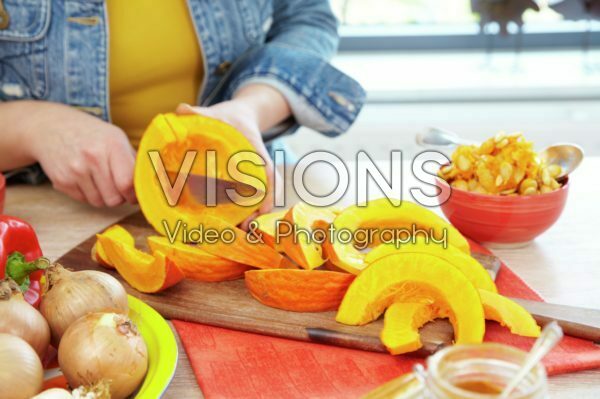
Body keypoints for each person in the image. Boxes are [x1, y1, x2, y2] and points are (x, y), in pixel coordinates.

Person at [0, 0, 365, 216]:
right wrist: (32, 126)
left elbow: (306, 17)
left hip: (241, 182)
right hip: (49, 202)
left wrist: (253, 106)